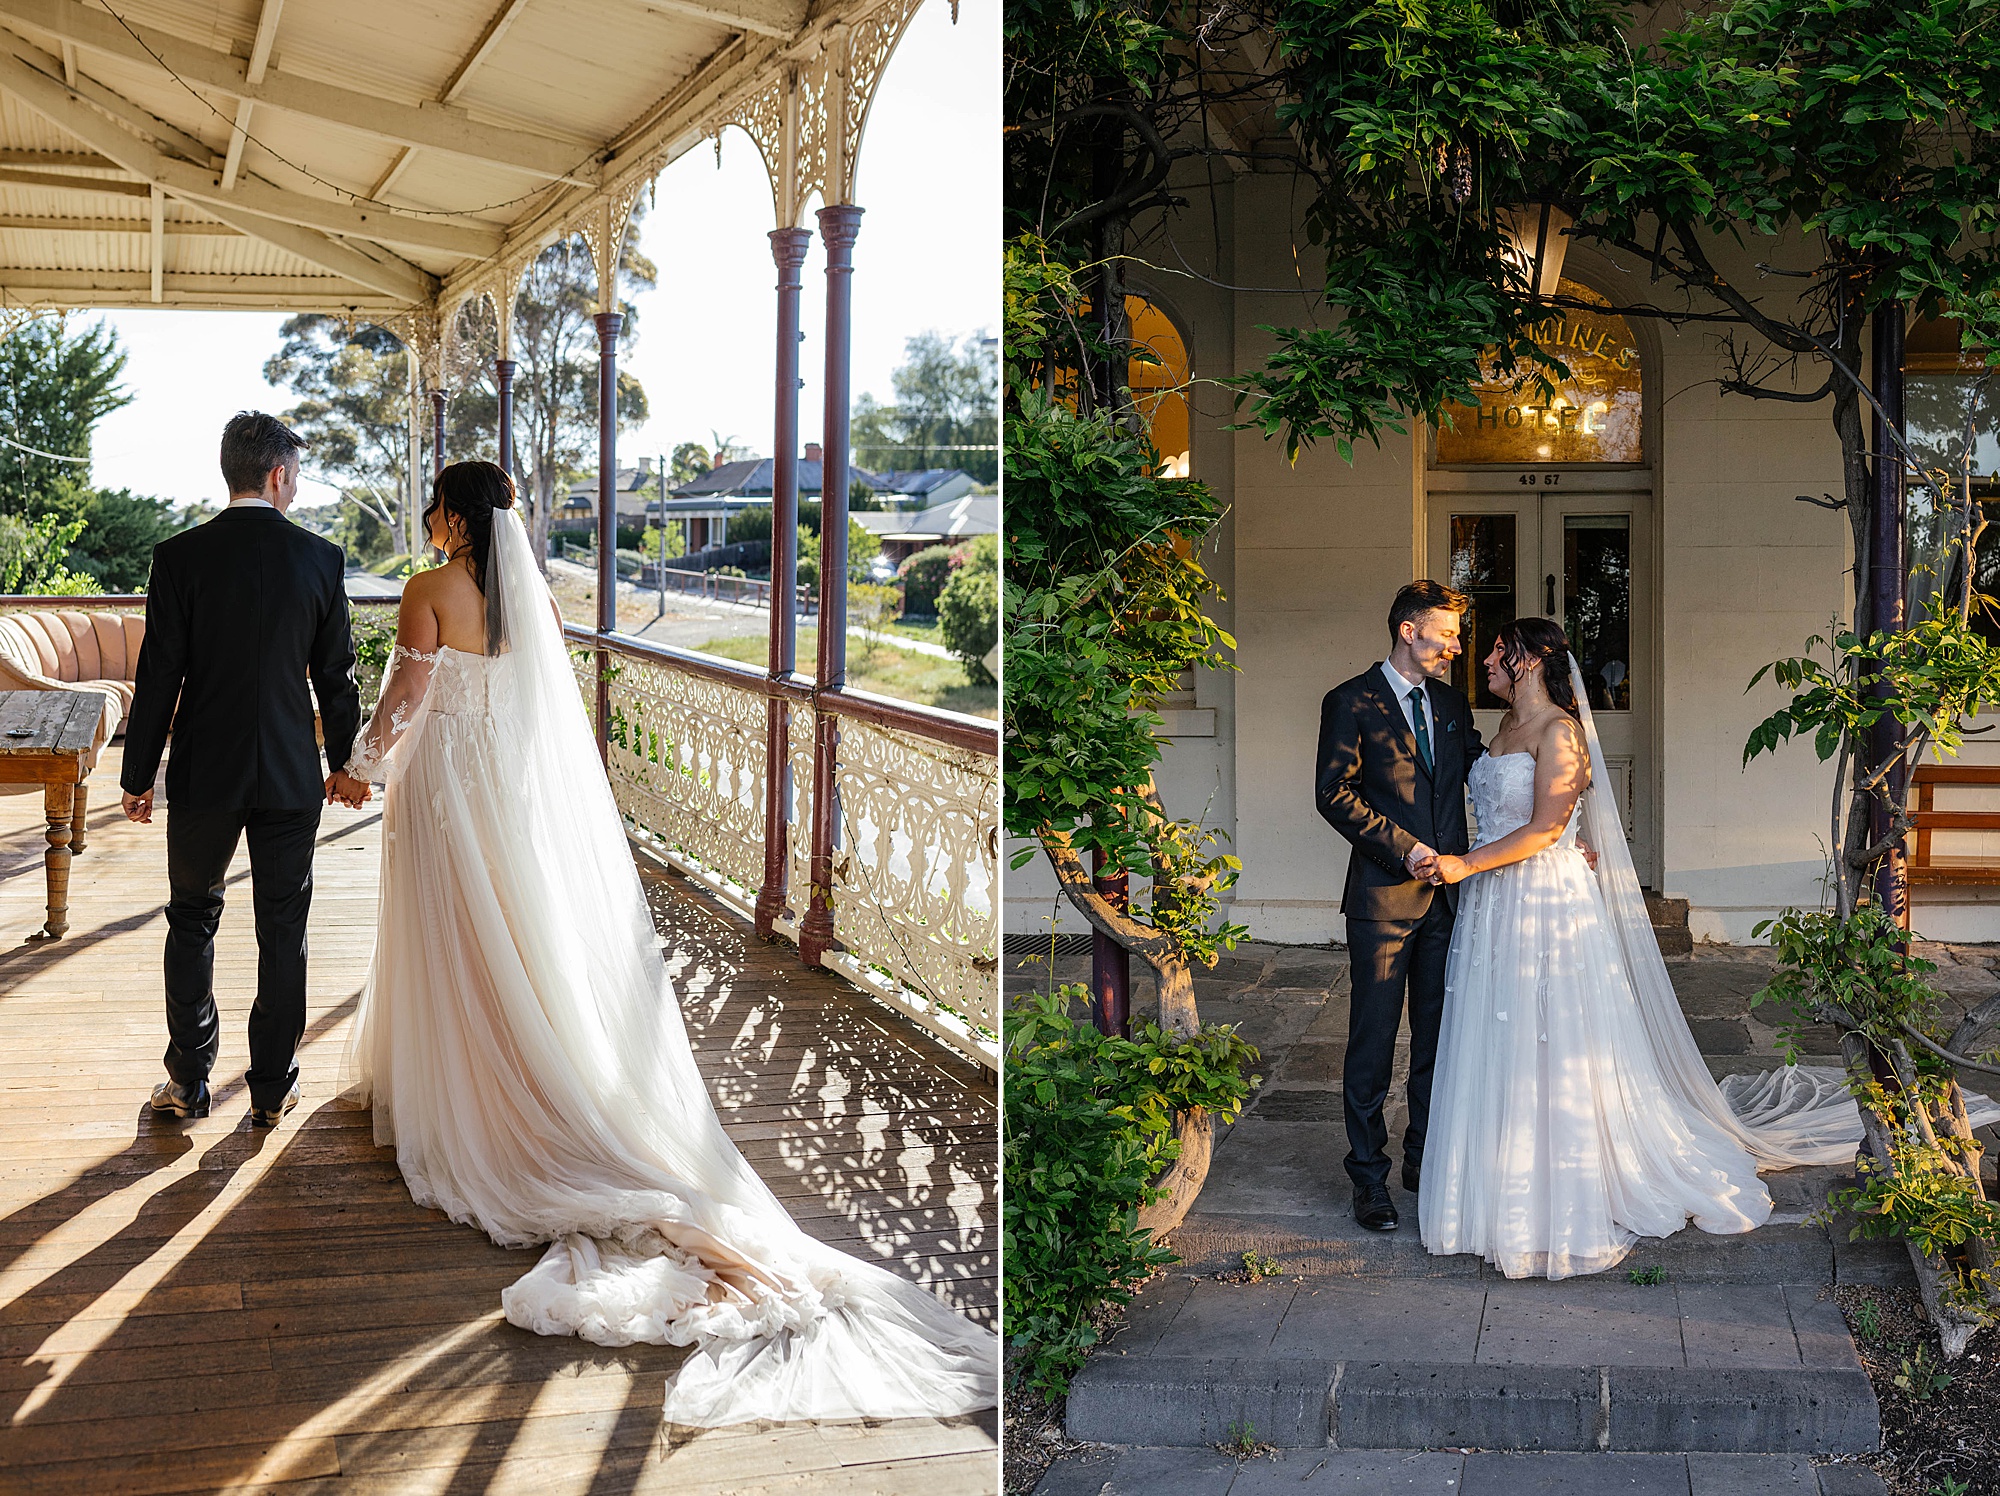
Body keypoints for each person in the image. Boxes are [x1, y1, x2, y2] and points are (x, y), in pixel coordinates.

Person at [328, 461, 996, 1427]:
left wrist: (355, 767)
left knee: (450, 937)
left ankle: (475, 1089)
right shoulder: (529, 601)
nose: (427, 522)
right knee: (507, 940)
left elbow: (404, 706)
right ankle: (515, 1064)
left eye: (433, 507)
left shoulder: (432, 591)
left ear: (452, 515)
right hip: (501, 805)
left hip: (441, 793)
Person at [1410, 618, 1999, 1278]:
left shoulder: (1559, 732)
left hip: (1540, 905)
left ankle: (1556, 1188)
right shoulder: (1501, 732)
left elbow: (1548, 826)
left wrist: (1466, 864)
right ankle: (1492, 1187)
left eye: (1497, 649)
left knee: (1550, 1036)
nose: (1486, 658)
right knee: (1501, 1034)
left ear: (1528, 662)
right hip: (1497, 907)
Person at [121, 411, 361, 1128]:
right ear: (279, 474)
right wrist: (345, 764)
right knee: (282, 930)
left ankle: (188, 1084)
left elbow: (158, 676)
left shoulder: (179, 557)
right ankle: (269, 1089)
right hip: (290, 774)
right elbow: (337, 678)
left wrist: (137, 777)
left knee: (191, 920)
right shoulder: (320, 559)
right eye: (298, 476)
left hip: (204, 772)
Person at [1313, 581, 1486, 1233]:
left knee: (1439, 1040)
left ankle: (1423, 1159)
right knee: (1373, 1041)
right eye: (1447, 634)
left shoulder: (1450, 703)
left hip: (1449, 903)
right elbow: (1334, 792)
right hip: (1383, 899)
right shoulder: (1350, 701)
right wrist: (1405, 847)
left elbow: (1479, 771)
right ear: (1409, 630)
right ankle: (1368, 1179)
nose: (1456, 646)